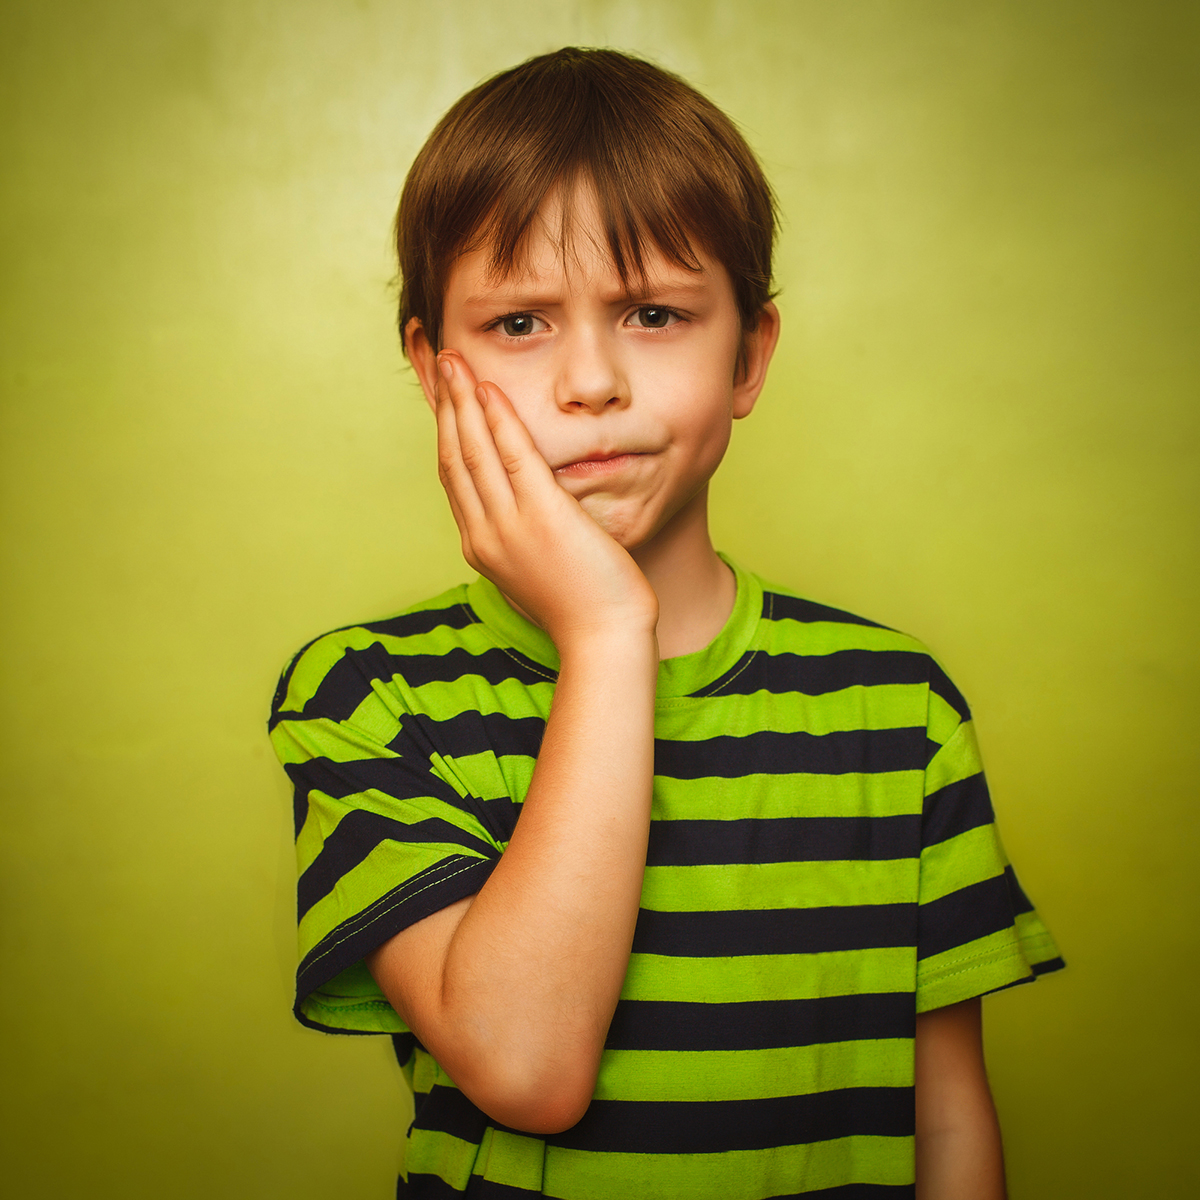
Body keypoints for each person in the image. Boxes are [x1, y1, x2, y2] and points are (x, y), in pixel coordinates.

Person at [269, 47, 1063, 1199]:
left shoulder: (898, 706)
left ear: (748, 353)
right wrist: (604, 633)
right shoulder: (370, 695)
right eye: (521, 324)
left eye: (653, 312)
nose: (593, 380)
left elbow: (945, 1125)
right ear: (433, 371)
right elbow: (529, 1071)